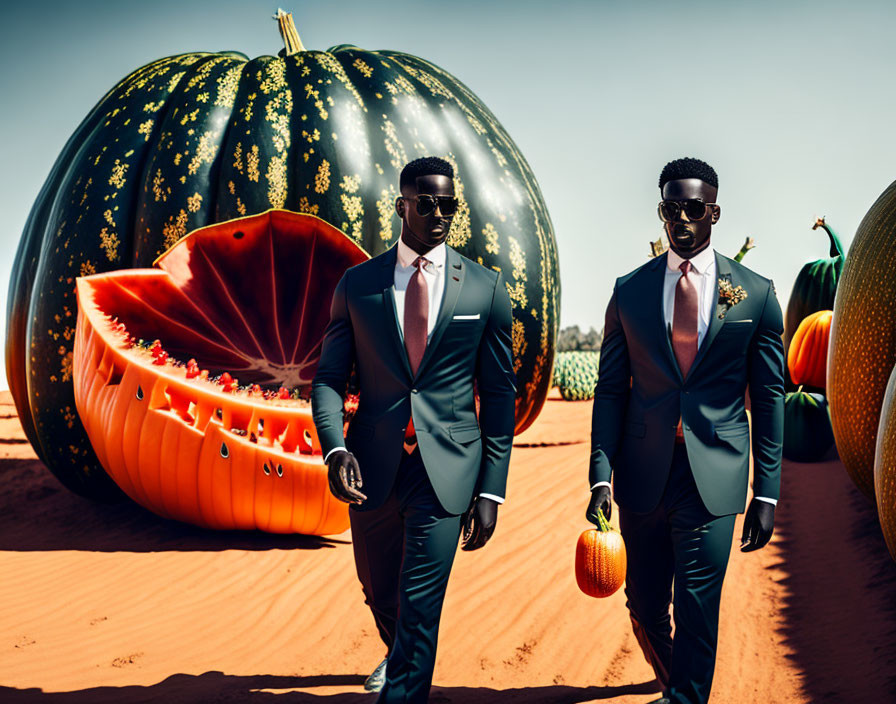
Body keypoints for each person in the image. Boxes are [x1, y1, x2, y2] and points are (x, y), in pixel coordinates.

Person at [311, 156, 516, 703]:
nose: (439, 213)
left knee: (421, 599)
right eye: (426, 203)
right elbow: (329, 380)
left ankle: (403, 688)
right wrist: (334, 450)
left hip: (447, 469)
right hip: (372, 466)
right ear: (401, 206)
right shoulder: (358, 286)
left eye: (448, 204)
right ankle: (397, 652)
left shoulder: (485, 289)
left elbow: (498, 397)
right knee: (379, 590)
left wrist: (492, 487)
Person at [585, 157, 784, 704]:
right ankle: (677, 685)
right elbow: (609, 391)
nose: (681, 219)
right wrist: (599, 475)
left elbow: (769, 401)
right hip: (643, 473)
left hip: (713, 475)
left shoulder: (757, 296)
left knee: (699, 602)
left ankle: (686, 697)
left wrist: (766, 490)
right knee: (645, 605)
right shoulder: (629, 292)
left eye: (693, 208)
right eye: (670, 209)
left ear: (714, 213)